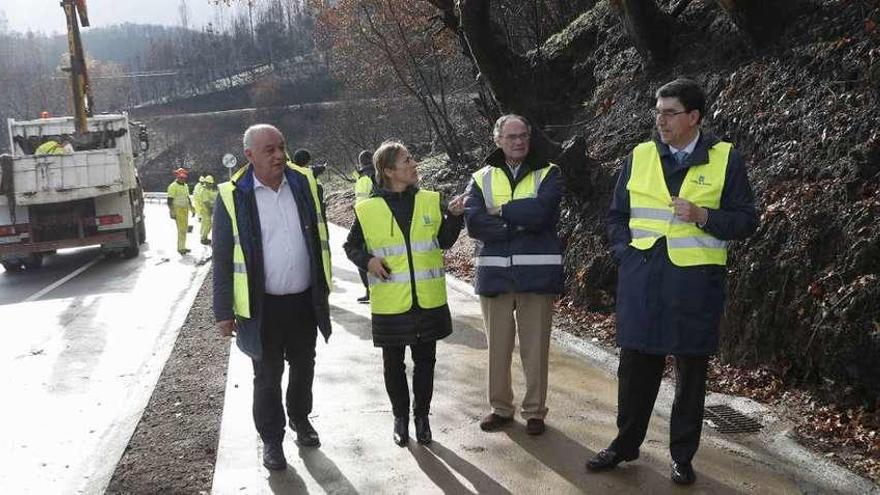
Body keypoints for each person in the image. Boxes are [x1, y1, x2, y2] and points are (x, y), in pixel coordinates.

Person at [587, 78, 758, 485]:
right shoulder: (640, 155)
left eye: (670, 113)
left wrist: (704, 216)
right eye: (657, 111)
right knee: (634, 370)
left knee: (690, 376)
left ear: (694, 117)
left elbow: (746, 220)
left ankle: (682, 456)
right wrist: (625, 254)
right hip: (642, 282)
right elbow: (616, 215)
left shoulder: (725, 159)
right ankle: (625, 444)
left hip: (695, 286)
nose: (660, 120)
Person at [212, 124, 332, 471]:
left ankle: (300, 418)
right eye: (269, 150)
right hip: (260, 306)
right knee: (267, 375)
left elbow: (316, 237)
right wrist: (223, 310)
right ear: (249, 155)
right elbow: (221, 257)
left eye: (281, 147)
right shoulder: (233, 195)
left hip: (304, 300)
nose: (279, 155)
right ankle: (272, 440)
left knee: (304, 365)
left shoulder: (303, 183)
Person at [343, 140, 465, 446]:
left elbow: (444, 241)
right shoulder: (368, 208)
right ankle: (400, 417)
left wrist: (454, 217)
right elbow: (351, 246)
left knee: (426, 362)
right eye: (407, 160)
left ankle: (421, 417)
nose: (414, 164)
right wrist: (368, 261)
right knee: (392, 364)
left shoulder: (429, 200)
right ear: (388, 171)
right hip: (390, 302)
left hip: (427, 300)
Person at [464, 114, 563, 436]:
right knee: (498, 346)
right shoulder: (481, 177)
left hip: (537, 273)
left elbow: (542, 213)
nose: (519, 141)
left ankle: (535, 411)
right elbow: (474, 224)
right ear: (498, 140)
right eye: (511, 137)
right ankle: (500, 408)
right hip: (494, 274)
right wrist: (519, 218)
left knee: (536, 347)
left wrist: (500, 210)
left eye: (523, 135)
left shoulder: (549, 172)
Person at [353, 149, 375, 303]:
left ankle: (370, 291)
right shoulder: (379, 175)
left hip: (364, 223)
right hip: (378, 220)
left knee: (362, 258)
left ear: (361, 162)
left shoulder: (363, 179)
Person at [166, 168, 194, 254]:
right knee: (181, 230)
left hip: (185, 210)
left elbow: (187, 198)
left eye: (184, 178)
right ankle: (180, 248)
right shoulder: (173, 186)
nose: (182, 179)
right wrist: (172, 212)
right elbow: (169, 200)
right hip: (177, 210)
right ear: (177, 177)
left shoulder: (185, 186)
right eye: (181, 177)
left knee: (184, 229)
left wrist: (192, 209)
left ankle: (183, 246)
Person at [196, 175, 218, 245]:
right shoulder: (204, 191)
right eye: (210, 184)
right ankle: (203, 238)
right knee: (206, 225)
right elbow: (206, 203)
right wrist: (211, 210)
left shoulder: (209, 190)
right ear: (207, 183)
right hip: (206, 211)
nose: (211, 185)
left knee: (208, 225)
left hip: (209, 211)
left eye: (212, 184)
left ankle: (205, 237)